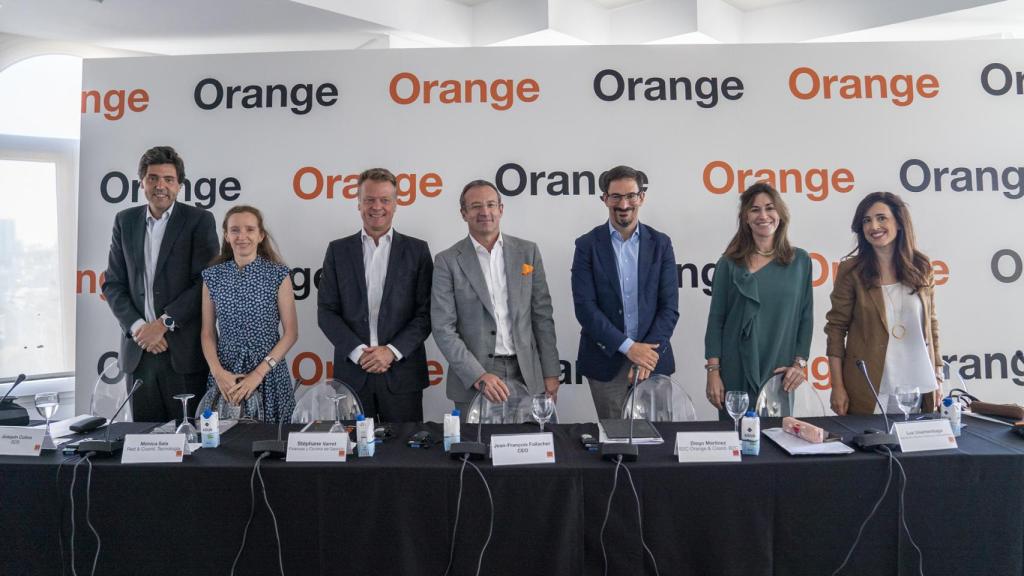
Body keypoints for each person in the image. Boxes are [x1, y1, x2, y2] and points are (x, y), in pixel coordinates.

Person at [102, 146, 219, 423]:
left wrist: (162, 324)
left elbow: (205, 281)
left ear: (179, 185)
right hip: (138, 352)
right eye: (153, 178)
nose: (160, 186)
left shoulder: (199, 221)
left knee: (190, 442)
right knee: (144, 445)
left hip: (182, 353)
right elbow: (113, 284)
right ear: (142, 182)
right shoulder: (124, 221)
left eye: (168, 179)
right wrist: (140, 328)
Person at [431, 180, 560, 417]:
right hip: (474, 381)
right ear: (464, 213)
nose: (485, 212)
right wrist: (478, 375)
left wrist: (551, 372)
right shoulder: (447, 261)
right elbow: (443, 328)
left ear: (501, 209)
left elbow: (542, 316)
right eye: (476, 206)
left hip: (528, 375)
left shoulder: (527, 252)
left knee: (528, 449)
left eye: (491, 204)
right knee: (478, 451)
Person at [318, 168, 433, 423]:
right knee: (354, 456)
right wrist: (360, 353)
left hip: (402, 375)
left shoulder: (418, 251)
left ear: (395, 204)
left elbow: (425, 314)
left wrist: (391, 351)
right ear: (358, 204)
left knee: (406, 454)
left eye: (384, 200)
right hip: (352, 376)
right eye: (369, 199)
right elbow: (326, 312)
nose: (376, 207)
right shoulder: (338, 251)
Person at [571, 165, 679, 420]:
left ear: (641, 197)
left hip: (653, 363)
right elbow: (585, 308)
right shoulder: (587, 245)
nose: (624, 204)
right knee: (616, 446)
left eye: (631, 195)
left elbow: (669, 307)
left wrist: (645, 355)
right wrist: (629, 348)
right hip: (606, 362)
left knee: (656, 446)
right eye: (616, 196)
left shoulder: (661, 244)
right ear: (604, 199)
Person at [825, 192, 942, 415]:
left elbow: (932, 326)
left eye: (881, 218)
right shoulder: (851, 271)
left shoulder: (922, 267)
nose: (873, 226)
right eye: (866, 220)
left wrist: (938, 376)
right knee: (872, 447)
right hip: (868, 386)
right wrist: (837, 387)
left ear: (898, 222)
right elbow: (836, 330)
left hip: (917, 383)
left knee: (916, 448)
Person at [705, 182, 812, 417]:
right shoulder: (728, 264)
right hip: (734, 370)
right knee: (736, 444)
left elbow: (806, 317)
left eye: (769, 208)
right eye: (754, 209)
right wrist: (713, 371)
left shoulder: (800, 261)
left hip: (779, 371)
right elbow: (716, 320)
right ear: (745, 218)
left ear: (780, 214)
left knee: (777, 444)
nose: (763, 215)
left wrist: (799, 364)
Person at [200, 205, 298, 423]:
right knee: (224, 448)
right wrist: (218, 373)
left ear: (261, 235)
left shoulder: (278, 275)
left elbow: (291, 333)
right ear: (226, 235)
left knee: (273, 444)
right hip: (226, 374)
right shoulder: (212, 277)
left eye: (249, 229)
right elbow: (207, 333)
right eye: (235, 230)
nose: (242, 236)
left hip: (268, 374)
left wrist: (258, 374)